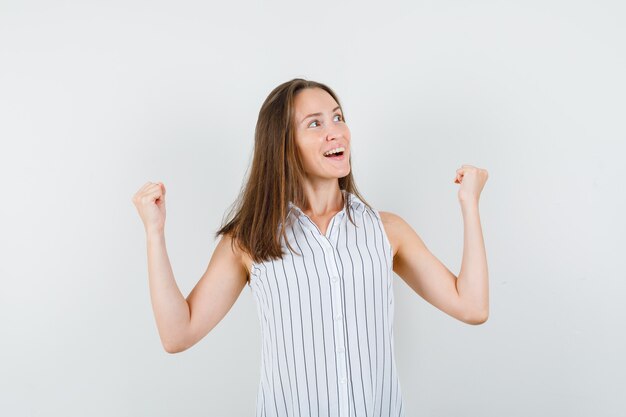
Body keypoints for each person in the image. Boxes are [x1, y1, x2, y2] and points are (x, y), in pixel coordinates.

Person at [131, 78, 490, 417]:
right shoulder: (250, 240)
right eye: (315, 124)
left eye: (337, 117)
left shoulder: (387, 231)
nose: (336, 131)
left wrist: (469, 204)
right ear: (284, 144)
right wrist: (154, 232)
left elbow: (472, 307)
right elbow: (178, 335)